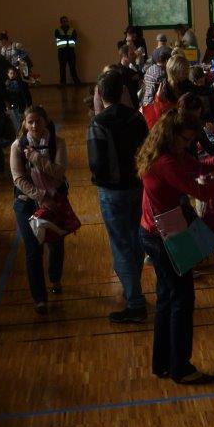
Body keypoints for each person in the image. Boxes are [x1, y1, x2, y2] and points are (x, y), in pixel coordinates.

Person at [137, 109, 214, 385]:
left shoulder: (164, 152)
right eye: (185, 138)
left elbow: (198, 165)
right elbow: (201, 191)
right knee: (182, 301)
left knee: (166, 299)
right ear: (172, 135)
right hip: (165, 237)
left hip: (153, 231)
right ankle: (181, 367)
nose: (188, 143)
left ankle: (162, 362)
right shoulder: (166, 162)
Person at [88, 69, 150, 323]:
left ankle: (135, 301)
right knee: (135, 241)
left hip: (113, 193)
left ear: (100, 94)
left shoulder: (98, 123)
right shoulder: (136, 118)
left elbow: (96, 164)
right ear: (123, 91)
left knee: (121, 245)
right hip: (137, 187)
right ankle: (132, 290)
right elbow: (147, 151)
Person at [10, 105, 68, 314]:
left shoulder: (57, 143)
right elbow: (18, 179)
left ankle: (55, 278)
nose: (34, 125)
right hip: (26, 203)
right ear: (24, 124)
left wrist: (36, 158)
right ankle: (39, 298)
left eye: (38, 121)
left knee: (55, 243)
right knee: (33, 250)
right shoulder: (17, 146)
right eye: (30, 122)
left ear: (45, 122)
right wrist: (41, 197)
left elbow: (59, 173)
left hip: (55, 199)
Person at [54, 15, 79, 85]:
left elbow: (74, 38)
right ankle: (62, 83)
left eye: (66, 21)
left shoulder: (72, 30)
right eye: (63, 21)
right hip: (61, 52)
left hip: (71, 51)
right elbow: (58, 37)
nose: (65, 22)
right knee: (62, 68)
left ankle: (76, 82)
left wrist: (64, 37)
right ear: (61, 22)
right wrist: (68, 37)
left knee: (73, 67)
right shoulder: (57, 30)